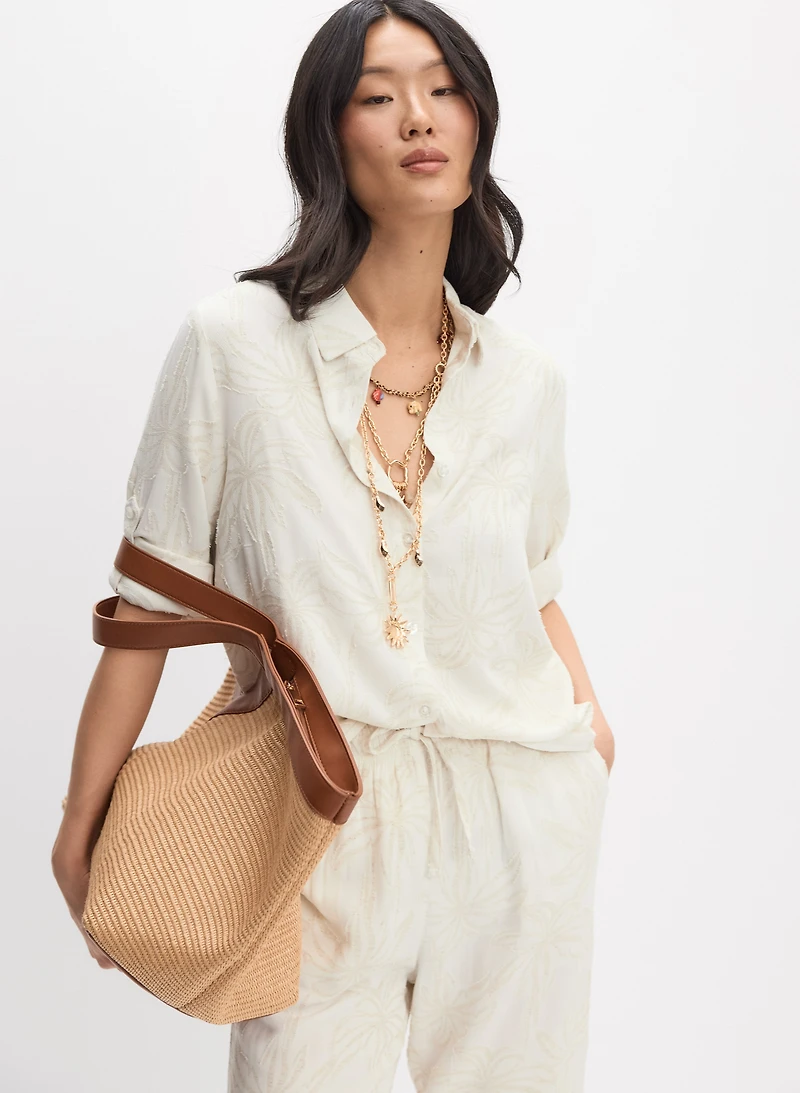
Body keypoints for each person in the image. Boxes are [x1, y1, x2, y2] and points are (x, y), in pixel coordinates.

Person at [52, 1, 616, 1089]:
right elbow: (149, 602)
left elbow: (534, 585)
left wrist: (591, 743)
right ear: (326, 132)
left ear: (478, 120)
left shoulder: (526, 382)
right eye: (377, 94)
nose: (419, 116)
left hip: (516, 821)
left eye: (443, 88)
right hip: (317, 814)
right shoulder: (233, 343)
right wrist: (81, 820)